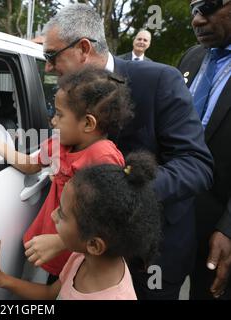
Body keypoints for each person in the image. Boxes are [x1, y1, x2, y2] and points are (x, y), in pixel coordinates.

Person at [40, 3, 214, 299]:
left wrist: (119, 191)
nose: (47, 68)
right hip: (83, 255)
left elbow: (196, 165)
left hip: (152, 260)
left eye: (51, 56)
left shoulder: (159, 80)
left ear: (83, 48)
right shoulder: (67, 94)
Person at [0, 66, 132, 283]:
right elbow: (31, 164)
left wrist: (60, 242)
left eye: (60, 115)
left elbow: (109, 220)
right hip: (47, 241)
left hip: (77, 254)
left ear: (88, 123)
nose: (53, 121)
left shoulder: (103, 157)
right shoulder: (59, 144)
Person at [0, 152, 162, 300]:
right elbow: (51, 294)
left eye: (62, 213)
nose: (53, 215)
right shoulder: (81, 258)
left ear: (94, 245)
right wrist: (1, 278)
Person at [178, 0, 231, 300]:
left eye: (208, 6)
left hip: (219, 231)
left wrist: (229, 229)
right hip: (172, 221)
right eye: (193, 10)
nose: (197, 20)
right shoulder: (191, 57)